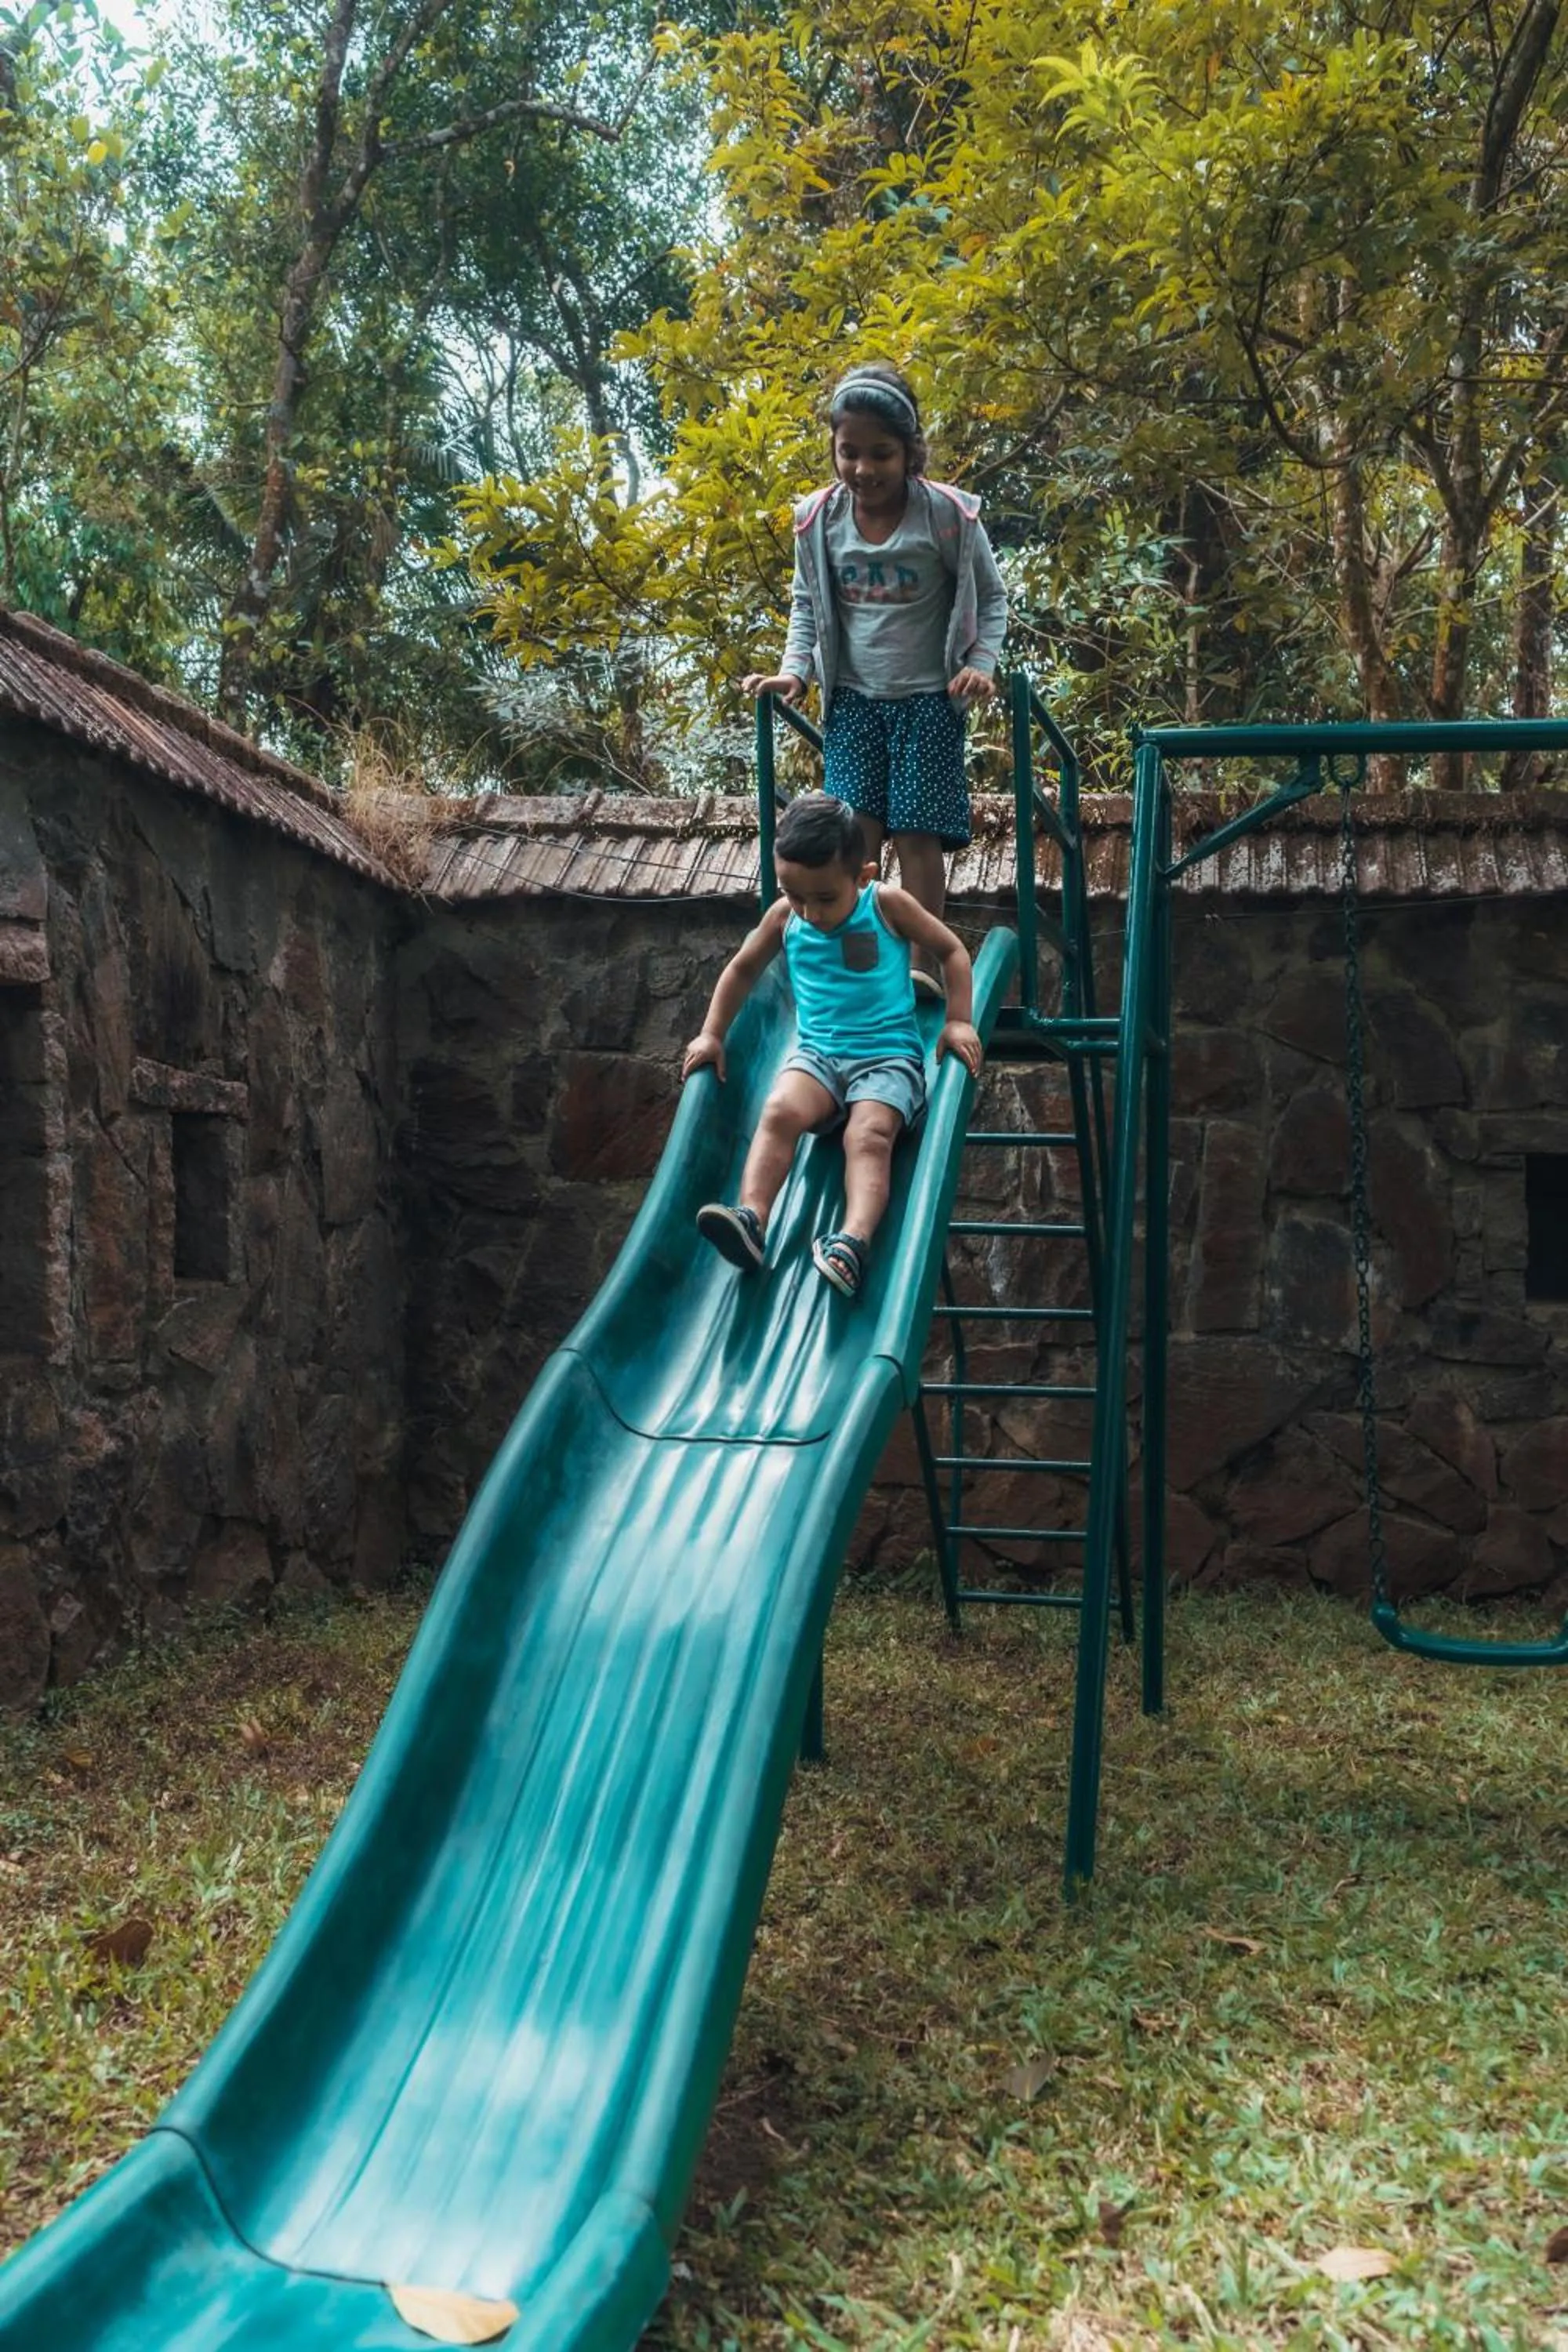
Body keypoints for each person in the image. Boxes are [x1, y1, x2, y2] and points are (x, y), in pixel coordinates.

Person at [740, 361, 1007, 1000]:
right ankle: (857, 960)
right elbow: (808, 604)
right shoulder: (819, 521)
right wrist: (793, 671)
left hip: (927, 701)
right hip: (854, 703)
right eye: (849, 452)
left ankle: (920, 964)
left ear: (910, 452)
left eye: (881, 453)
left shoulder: (945, 518)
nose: (864, 468)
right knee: (854, 832)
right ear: (833, 449)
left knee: (917, 833)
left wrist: (980, 666)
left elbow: (991, 600)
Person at [681, 792, 982, 1300]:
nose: (810, 912)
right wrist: (712, 1033)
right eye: (795, 895)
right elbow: (742, 969)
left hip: (887, 1059)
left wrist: (957, 1021)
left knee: (867, 1137)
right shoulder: (786, 918)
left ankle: (853, 1241)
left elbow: (951, 950)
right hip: (818, 1057)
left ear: (862, 876)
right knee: (778, 1111)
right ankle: (752, 1218)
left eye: (824, 899)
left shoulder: (885, 904)